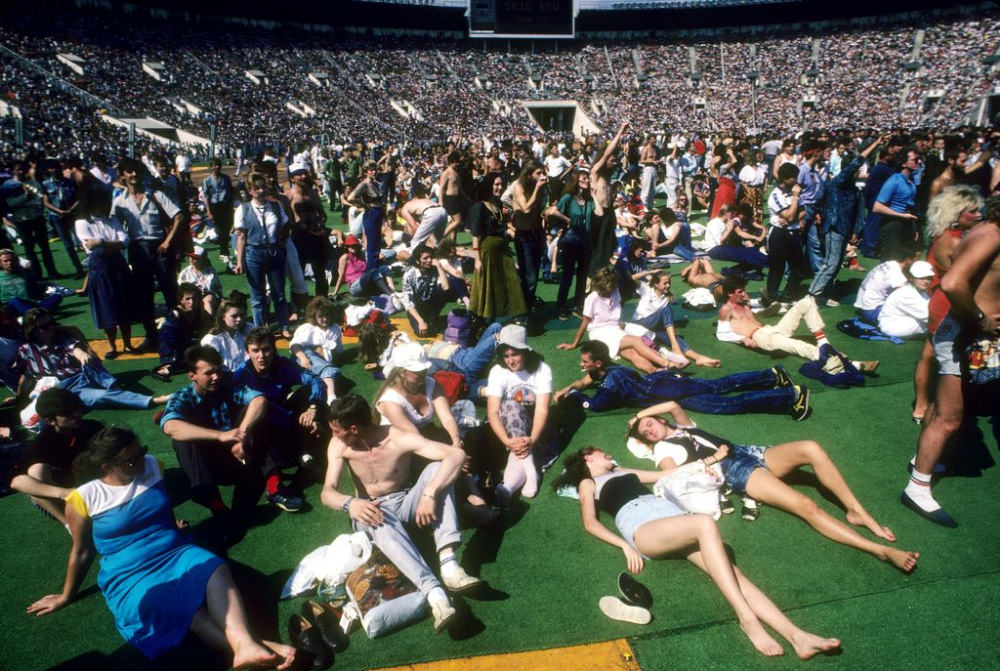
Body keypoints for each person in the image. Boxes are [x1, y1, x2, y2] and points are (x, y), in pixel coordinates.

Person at [27, 426, 297, 669]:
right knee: (191, 611)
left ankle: (247, 647)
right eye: (131, 459)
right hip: (130, 572)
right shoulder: (84, 498)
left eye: (141, 452)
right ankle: (261, 648)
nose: (141, 461)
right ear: (107, 465)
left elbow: (160, 507)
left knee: (217, 569)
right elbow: (82, 551)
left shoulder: (154, 466)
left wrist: (172, 526)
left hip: (174, 551)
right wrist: (65, 595)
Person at [550, 446, 841, 660]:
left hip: (672, 518)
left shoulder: (624, 471)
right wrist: (624, 544)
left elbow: (668, 473)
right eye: (602, 454)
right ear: (588, 458)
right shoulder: (589, 483)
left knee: (731, 572)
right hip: (642, 525)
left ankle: (797, 636)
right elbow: (590, 523)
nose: (608, 456)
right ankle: (746, 618)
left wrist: (714, 458)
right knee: (704, 524)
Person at [627, 406, 919, 572]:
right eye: (646, 434)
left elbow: (672, 404)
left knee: (811, 448)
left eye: (650, 424)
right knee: (806, 506)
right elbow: (674, 474)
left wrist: (638, 416)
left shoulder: (683, 426)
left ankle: (857, 511)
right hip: (735, 470)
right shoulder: (664, 449)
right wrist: (713, 459)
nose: (650, 430)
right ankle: (878, 549)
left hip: (747, 451)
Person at [320, 395, 483, 633]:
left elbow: (455, 455)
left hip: (404, 502)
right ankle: (436, 595)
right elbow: (327, 492)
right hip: (369, 511)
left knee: (437, 469)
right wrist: (350, 503)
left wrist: (429, 493)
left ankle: (448, 564)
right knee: (375, 516)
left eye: (337, 430)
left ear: (354, 429)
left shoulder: (397, 437)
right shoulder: (339, 446)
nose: (334, 434)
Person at [901, 197, 1000, 527]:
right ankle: (917, 487)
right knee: (950, 418)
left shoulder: (986, 231)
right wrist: (981, 318)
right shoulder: (990, 235)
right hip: (965, 332)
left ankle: (920, 462)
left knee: (945, 409)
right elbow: (953, 282)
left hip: (969, 332)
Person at [160, 345, 283, 538]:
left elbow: (259, 400)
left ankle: (275, 487)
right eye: (209, 373)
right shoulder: (182, 396)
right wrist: (220, 436)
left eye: (217, 370)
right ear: (192, 376)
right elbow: (170, 427)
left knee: (253, 415)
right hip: (208, 465)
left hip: (239, 453)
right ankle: (217, 506)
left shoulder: (229, 386)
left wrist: (241, 433)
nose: (216, 377)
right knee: (182, 440)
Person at [554, 340, 809, 419]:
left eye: (584, 362)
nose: (581, 365)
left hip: (672, 391)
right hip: (667, 385)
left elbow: (596, 404)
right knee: (722, 386)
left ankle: (791, 394)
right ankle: (773, 376)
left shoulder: (611, 381)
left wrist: (576, 398)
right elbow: (585, 382)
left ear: (597, 363)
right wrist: (569, 388)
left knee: (729, 401)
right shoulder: (608, 370)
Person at [911, 185, 984, 422]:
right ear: (956, 214)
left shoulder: (949, 236)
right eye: (971, 212)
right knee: (934, 355)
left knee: (932, 353)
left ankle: (924, 404)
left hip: (944, 301)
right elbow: (961, 278)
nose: (978, 215)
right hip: (947, 305)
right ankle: (925, 405)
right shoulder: (952, 241)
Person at [234, 328, 328, 503]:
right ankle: (275, 483)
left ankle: (311, 451)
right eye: (255, 350)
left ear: (274, 349)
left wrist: (313, 409)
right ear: (248, 352)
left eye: (266, 349)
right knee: (257, 410)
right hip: (261, 431)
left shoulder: (283, 365)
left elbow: (316, 380)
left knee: (307, 393)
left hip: (284, 421)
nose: (261, 355)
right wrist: (294, 419)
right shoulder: (241, 375)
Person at [15, 308, 169, 411]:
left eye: (51, 324)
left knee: (90, 359)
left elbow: (74, 348)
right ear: (33, 330)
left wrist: (82, 354)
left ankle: (113, 386)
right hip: (64, 390)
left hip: (81, 378)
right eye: (44, 327)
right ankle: (152, 401)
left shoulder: (61, 338)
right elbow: (25, 375)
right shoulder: (25, 350)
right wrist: (18, 396)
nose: (51, 329)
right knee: (100, 397)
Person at [718, 278, 879, 375]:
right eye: (740, 291)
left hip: (772, 329)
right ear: (729, 294)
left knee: (806, 301)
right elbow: (722, 333)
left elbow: (758, 313)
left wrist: (775, 307)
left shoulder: (744, 303)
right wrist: (743, 339)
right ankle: (855, 365)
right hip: (762, 338)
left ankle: (823, 342)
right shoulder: (725, 310)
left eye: (744, 290)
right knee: (800, 346)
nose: (745, 294)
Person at [111, 158, 184, 352]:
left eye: (137, 171)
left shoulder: (156, 195)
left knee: (170, 292)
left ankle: (178, 332)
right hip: (137, 249)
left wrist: (168, 240)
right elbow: (112, 223)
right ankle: (151, 336)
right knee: (144, 296)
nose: (134, 175)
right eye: (129, 172)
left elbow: (178, 216)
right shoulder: (119, 201)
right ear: (123, 176)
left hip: (160, 247)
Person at [484, 325, 556, 504]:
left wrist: (532, 439)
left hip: (536, 427)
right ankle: (530, 472)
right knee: (510, 406)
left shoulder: (542, 369)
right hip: (508, 425)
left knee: (518, 444)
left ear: (525, 352)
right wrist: (507, 441)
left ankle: (508, 487)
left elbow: (542, 409)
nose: (510, 360)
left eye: (514, 354)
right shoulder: (498, 371)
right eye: (506, 356)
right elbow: (493, 411)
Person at [558, 268, 680, 374]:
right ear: (601, 284)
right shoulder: (592, 298)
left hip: (615, 329)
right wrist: (574, 344)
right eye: (610, 284)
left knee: (632, 353)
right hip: (600, 333)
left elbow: (613, 315)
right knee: (636, 341)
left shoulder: (615, 291)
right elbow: (585, 322)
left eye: (613, 284)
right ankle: (667, 363)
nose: (613, 287)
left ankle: (655, 371)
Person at [10, 388, 102, 528]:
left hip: (93, 481)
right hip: (66, 491)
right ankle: (71, 525)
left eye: (77, 408)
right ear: (50, 420)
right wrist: (65, 493)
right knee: (36, 477)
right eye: (68, 413)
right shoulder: (42, 444)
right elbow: (17, 482)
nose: (77, 414)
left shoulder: (92, 427)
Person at [808, 136, 883, 306]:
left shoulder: (855, 191)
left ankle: (823, 293)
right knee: (830, 264)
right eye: (855, 170)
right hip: (834, 227)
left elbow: (859, 214)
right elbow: (855, 163)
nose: (857, 172)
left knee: (835, 265)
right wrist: (875, 144)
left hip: (844, 230)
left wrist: (856, 232)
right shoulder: (837, 182)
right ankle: (811, 295)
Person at [233, 172, 291, 338]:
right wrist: (239, 261)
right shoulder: (242, 209)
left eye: (263, 186)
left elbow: (286, 225)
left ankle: (284, 326)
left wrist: (283, 243)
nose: (261, 190)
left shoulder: (276, 206)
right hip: (254, 253)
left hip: (274, 250)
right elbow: (241, 237)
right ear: (250, 191)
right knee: (257, 296)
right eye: (257, 188)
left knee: (279, 293)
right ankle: (261, 329)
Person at [468, 172, 528, 323]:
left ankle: (516, 314)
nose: (500, 187)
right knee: (489, 285)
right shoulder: (479, 206)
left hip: (503, 249)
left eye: (501, 184)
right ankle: (485, 319)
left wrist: (510, 229)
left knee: (511, 280)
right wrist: (477, 259)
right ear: (489, 185)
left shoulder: (499, 204)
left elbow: (502, 225)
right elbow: (476, 234)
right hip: (487, 251)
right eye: (496, 184)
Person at [631, 271, 720, 367]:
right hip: (639, 324)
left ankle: (698, 357)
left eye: (669, 283)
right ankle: (675, 347)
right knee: (666, 310)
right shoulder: (646, 289)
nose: (668, 285)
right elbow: (632, 278)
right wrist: (651, 272)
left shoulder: (666, 297)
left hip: (651, 329)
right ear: (656, 284)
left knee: (673, 337)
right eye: (665, 283)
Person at [548, 169, 595, 321]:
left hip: (585, 241)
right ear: (576, 181)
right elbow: (552, 211)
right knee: (567, 275)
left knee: (582, 276)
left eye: (587, 179)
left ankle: (578, 305)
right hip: (571, 241)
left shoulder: (589, 200)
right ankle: (561, 306)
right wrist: (567, 220)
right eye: (583, 179)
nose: (586, 181)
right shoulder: (568, 198)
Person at [2, 160, 61, 279]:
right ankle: (36, 274)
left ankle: (52, 271)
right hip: (21, 220)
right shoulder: (8, 185)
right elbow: (10, 203)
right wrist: (26, 197)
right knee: (29, 249)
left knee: (45, 247)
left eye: (22, 168)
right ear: (13, 170)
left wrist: (24, 202)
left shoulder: (34, 183)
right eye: (17, 169)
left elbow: (39, 200)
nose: (20, 171)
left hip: (36, 217)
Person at [762, 163, 806, 304]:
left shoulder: (797, 192)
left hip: (793, 233)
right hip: (779, 234)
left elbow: (805, 210)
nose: (797, 181)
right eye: (794, 178)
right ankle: (771, 296)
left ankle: (789, 295)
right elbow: (790, 215)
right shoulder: (775, 195)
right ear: (786, 179)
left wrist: (791, 219)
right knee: (777, 267)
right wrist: (795, 198)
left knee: (798, 268)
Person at [590, 122, 629, 277]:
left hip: (608, 213)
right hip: (599, 214)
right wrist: (620, 131)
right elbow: (607, 152)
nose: (614, 163)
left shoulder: (607, 177)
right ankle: (594, 275)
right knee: (599, 247)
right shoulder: (596, 172)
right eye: (612, 161)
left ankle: (603, 271)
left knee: (609, 245)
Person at [287, 161, 331, 297]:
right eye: (298, 174)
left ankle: (322, 301)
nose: (303, 177)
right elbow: (287, 220)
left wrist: (320, 227)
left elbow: (322, 214)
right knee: (297, 273)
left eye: (304, 173)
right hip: (299, 239)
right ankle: (299, 305)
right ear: (292, 178)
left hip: (316, 238)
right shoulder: (289, 196)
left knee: (320, 272)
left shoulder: (313, 193)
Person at [511, 161, 549, 315]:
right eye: (538, 173)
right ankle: (524, 308)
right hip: (524, 234)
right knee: (529, 275)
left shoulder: (540, 188)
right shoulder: (518, 186)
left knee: (534, 271)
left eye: (542, 173)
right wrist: (538, 189)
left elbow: (543, 207)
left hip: (536, 232)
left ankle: (529, 301)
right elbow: (525, 207)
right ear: (529, 175)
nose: (541, 176)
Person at [289, 296, 343, 405]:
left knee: (326, 371)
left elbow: (339, 350)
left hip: (322, 361)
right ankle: (331, 397)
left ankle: (320, 400)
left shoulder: (335, 328)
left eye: (327, 315)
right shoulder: (307, 328)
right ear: (314, 316)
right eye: (321, 316)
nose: (325, 319)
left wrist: (325, 351)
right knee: (327, 368)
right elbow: (294, 346)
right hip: (302, 356)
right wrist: (304, 358)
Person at [871, 148, 923, 261]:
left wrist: (913, 229)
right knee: (889, 262)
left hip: (906, 224)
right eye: (915, 159)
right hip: (893, 226)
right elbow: (877, 207)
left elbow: (910, 208)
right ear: (904, 163)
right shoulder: (894, 180)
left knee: (904, 262)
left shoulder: (912, 182)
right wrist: (902, 216)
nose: (919, 162)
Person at [152, 283, 208, 382]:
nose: (192, 302)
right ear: (181, 300)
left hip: (188, 343)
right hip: (173, 346)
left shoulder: (199, 310)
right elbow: (168, 340)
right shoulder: (176, 314)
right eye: (188, 299)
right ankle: (165, 369)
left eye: (194, 298)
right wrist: (169, 359)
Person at [853, 246, 920, 325]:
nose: (917, 263)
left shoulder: (889, 264)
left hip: (863, 305)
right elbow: (907, 297)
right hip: (872, 311)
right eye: (916, 260)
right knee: (911, 315)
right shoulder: (896, 274)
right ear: (907, 260)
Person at [399, 244, 451, 337]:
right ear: (417, 261)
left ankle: (433, 319)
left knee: (443, 291)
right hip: (416, 308)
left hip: (430, 304)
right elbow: (408, 302)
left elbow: (446, 288)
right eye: (425, 258)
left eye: (431, 257)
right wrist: (420, 321)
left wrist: (439, 266)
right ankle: (430, 321)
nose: (430, 260)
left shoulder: (434, 269)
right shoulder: (409, 275)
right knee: (422, 333)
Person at [878, 260, 934, 338]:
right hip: (892, 326)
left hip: (903, 319)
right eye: (921, 278)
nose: (926, 281)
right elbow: (927, 316)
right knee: (926, 322)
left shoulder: (921, 292)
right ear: (911, 278)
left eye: (929, 278)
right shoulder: (906, 293)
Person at [346, 161, 386, 268]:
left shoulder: (376, 184)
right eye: (371, 170)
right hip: (371, 213)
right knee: (372, 244)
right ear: (366, 172)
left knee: (377, 243)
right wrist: (364, 204)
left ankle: (375, 267)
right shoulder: (363, 185)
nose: (374, 172)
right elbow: (350, 198)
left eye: (375, 170)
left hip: (378, 213)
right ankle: (372, 270)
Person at [330, 234, 395, 297]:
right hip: (354, 286)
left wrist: (380, 256)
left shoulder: (362, 255)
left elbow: (390, 253)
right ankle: (390, 294)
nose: (353, 247)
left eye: (354, 245)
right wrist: (335, 292)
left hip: (365, 282)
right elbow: (341, 276)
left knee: (383, 268)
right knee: (373, 272)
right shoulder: (344, 257)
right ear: (347, 247)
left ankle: (393, 290)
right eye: (350, 245)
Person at [201, 296, 250, 372]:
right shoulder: (211, 340)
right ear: (223, 316)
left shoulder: (249, 329)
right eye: (234, 316)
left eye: (242, 315)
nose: (239, 319)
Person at [400, 182, 448, 252]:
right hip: (442, 210)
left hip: (431, 212)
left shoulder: (405, 209)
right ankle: (444, 258)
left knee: (415, 242)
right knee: (438, 242)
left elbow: (415, 227)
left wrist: (422, 238)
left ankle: (414, 261)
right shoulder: (423, 200)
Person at [201, 158, 234, 260]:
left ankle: (224, 251)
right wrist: (209, 211)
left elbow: (230, 192)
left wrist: (231, 207)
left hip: (226, 206)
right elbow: (206, 197)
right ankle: (224, 251)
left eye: (218, 165)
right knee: (220, 230)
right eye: (214, 165)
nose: (216, 167)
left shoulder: (226, 178)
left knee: (227, 228)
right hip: (215, 207)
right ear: (211, 167)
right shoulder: (207, 181)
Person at [177, 245, 222, 317]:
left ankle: (208, 323)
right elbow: (180, 290)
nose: (191, 259)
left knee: (208, 300)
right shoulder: (185, 273)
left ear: (202, 259)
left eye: (195, 258)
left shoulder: (210, 271)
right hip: (191, 297)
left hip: (207, 295)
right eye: (190, 257)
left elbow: (218, 287)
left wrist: (220, 298)